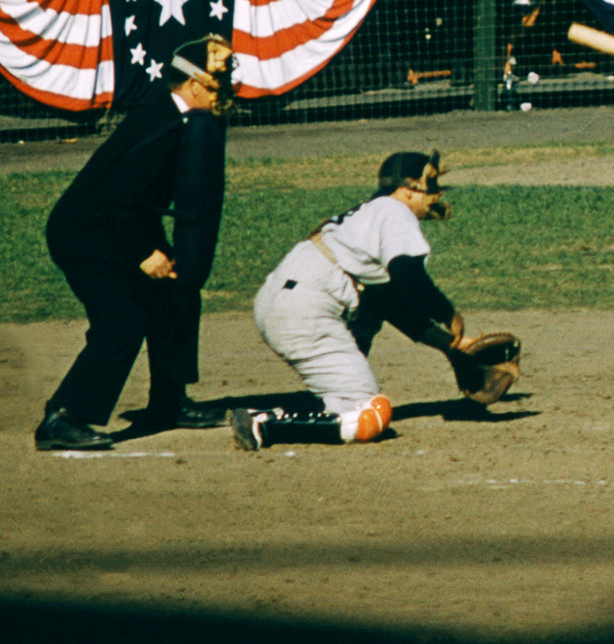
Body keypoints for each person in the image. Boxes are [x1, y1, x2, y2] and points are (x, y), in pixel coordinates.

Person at [230, 151, 519, 450]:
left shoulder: (369, 215)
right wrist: (447, 312)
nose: (436, 195)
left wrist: (449, 346)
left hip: (284, 302)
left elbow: (389, 303)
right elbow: (408, 276)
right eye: (430, 186)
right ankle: (264, 425)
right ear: (408, 189)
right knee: (369, 412)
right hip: (305, 310)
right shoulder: (395, 211)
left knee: (366, 322)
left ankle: (299, 407)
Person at [36, 37, 233, 452]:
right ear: (193, 85)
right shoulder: (161, 126)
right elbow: (118, 196)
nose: (225, 89)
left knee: (175, 295)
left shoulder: (180, 119)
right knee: (122, 320)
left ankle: (169, 402)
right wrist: (144, 252)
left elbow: (139, 199)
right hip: (86, 233)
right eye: (217, 81)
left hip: (118, 224)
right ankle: (63, 416)